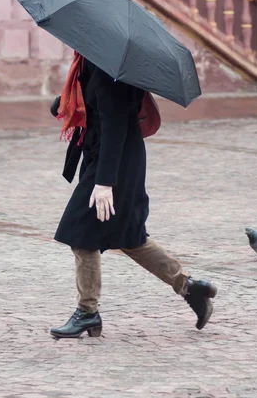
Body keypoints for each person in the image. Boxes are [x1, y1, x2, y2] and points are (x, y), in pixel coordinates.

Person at [50, 53, 217, 339]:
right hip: (106, 157)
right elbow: (90, 103)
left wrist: (104, 184)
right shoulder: (91, 60)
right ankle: (190, 288)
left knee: (80, 232)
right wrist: (65, 101)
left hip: (115, 163)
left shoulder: (108, 69)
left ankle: (87, 313)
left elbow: (114, 126)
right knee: (130, 236)